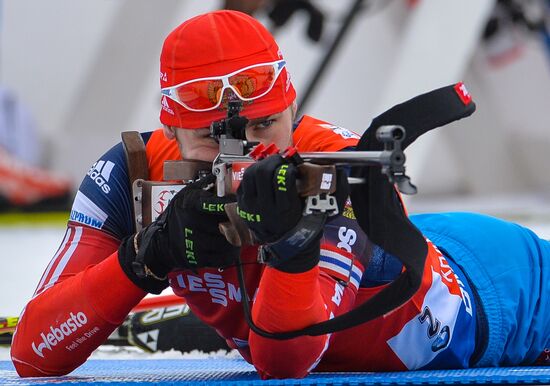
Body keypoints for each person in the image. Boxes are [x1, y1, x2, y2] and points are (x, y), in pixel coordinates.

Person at [10, 10, 550, 379]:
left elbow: (286, 364)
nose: (243, 154)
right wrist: (141, 260)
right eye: (210, 138)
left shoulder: (336, 167)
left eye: (265, 125)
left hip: (505, 290)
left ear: (293, 109)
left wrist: (295, 247)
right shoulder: (128, 175)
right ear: (168, 129)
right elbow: (35, 354)